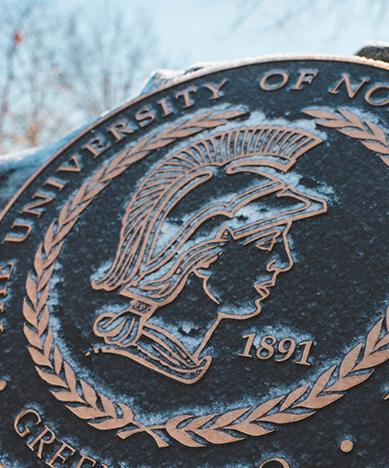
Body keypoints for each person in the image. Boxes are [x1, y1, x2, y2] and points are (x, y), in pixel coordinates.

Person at [90, 124, 328, 383]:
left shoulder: (180, 359)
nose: (283, 261)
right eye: (265, 243)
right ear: (199, 256)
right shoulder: (114, 365)